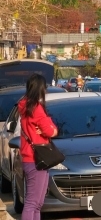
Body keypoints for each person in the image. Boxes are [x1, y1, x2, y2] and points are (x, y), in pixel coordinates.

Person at [19, 74, 58, 220]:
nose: (46, 90)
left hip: (31, 158)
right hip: (37, 159)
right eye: (45, 87)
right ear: (40, 89)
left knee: (37, 203)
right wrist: (50, 128)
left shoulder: (25, 106)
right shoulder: (36, 108)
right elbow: (51, 130)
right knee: (33, 203)